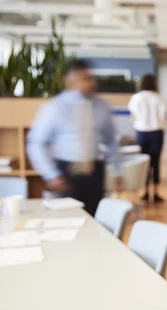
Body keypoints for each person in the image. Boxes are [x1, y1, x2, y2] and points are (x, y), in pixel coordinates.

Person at [27, 59, 122, 215]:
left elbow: (111, 139)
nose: (89, 83)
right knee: (69, 218)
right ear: (69, 80)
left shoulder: (101, 105)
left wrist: (117, 171)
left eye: (90, 78)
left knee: (96, 218)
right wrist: (51, 174)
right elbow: (36, 143)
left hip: (95, 171)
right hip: (67, 174)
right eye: (83, 79)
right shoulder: (55, 107)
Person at [128, 73, 167, 202]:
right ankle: (156, 194)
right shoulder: (160, 99)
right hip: (157, 133)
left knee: (144, 163)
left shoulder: (136, 98)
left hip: (141, 133)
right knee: (155, 163)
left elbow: (133, 116)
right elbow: (164, 118)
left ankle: (144, 192)